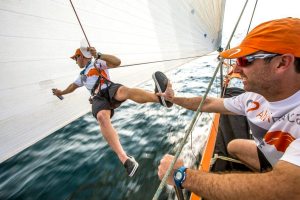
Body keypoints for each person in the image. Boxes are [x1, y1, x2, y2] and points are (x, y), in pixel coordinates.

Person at [157, 17, 300, 199]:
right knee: (233, 147)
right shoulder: (253, 97)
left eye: (244, 61)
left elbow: (287, 189)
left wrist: (182, 175)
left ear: (282, 63)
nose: (236, 70)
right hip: (273, 158)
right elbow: (207, 103)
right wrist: (173, 99)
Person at [52, 46, 172, 177]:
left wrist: (98, 55)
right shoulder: (81, 76)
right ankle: (125, 160)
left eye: (76, 57)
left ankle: (160, 98)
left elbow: (117, 62)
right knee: (102, 117)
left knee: (125, 92)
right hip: (97, 97)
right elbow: (72, 87)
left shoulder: (97, 63)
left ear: (82, 56)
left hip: (108, 87)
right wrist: (61, 92)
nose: (75, 61)